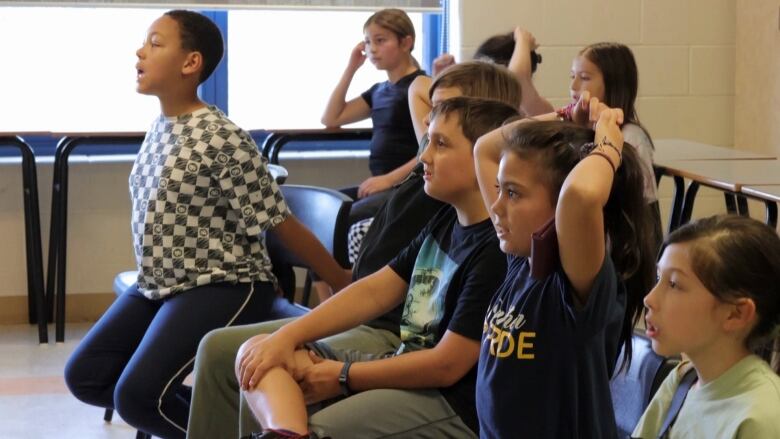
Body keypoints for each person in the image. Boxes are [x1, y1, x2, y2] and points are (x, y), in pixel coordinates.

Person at [185, 62, 523, 439]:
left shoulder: (496, 249)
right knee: (261, 354)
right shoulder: (446, 221)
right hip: (405, 362)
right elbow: (376, 288)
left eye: (439, 144)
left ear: (483, 157)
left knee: (321, 427)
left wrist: (343, 377)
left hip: (449, 400)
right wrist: (286, 337)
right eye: (427, 140)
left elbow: (446, 366)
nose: (423, 156)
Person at [63, 10, 350, 439]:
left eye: (155, 43)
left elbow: (279, 223)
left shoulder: (220, 136)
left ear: (190, 63)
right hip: (160, 284)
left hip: (222, 283)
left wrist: (340, 281)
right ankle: (232, 426)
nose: (140, 52)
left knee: (138, 397)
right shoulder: (161, 127)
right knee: (85, 375)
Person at [473, 101, 657, 438]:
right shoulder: (522, 258)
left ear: (559, 208)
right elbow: (485, 149)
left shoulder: (574, 284)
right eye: (500, 189)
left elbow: (581, 195)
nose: (496, 207)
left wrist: (607, 144)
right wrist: (565, 116)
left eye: (513, 193)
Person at [632, 215, 780, 438]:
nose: (649, 299)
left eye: (674, 284)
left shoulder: (762, 417)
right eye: (658, 277)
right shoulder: (682, 380)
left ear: (735, 314)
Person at [321, 8, 426, 226]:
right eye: (367, 42)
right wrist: (352, 67)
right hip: (380, 183)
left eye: (380, 41)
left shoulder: (420, 87)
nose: (372, 50)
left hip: (408, 186)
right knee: (325, 207)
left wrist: (388, 180)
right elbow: (331, 117)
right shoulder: (379, 91)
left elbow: (428, 149)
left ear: (406, 43)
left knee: (342, 219)